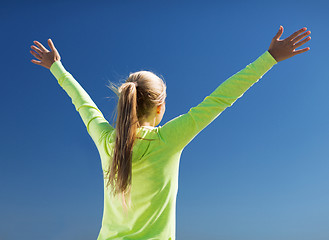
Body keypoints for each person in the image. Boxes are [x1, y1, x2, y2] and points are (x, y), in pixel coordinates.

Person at [30, 25, 311, 240]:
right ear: (160, 108)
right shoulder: (168, 139)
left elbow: (83, 104)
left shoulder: (107, 141)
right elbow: (219, 99)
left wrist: (57, 67)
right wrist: (270, 58)